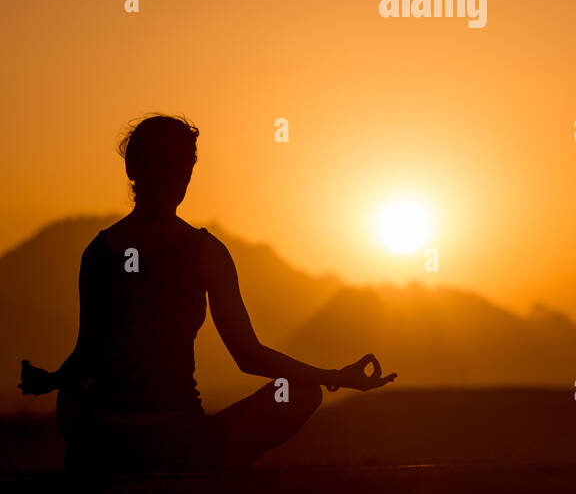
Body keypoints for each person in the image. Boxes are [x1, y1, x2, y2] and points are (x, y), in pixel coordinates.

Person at [18, 115, 396, 473]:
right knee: (302, 392)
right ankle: (198, 467)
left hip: (105, 441)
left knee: (69, 395)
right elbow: (248, 355)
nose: (180, 179)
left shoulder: (97, 252)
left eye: (184, 169)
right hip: (182, 440)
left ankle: (104, 464)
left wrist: (51, 380)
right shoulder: (204, 251)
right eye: (177, 168)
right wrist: (335, 376)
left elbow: (85, 357)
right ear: (147, 172)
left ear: (131, 170)